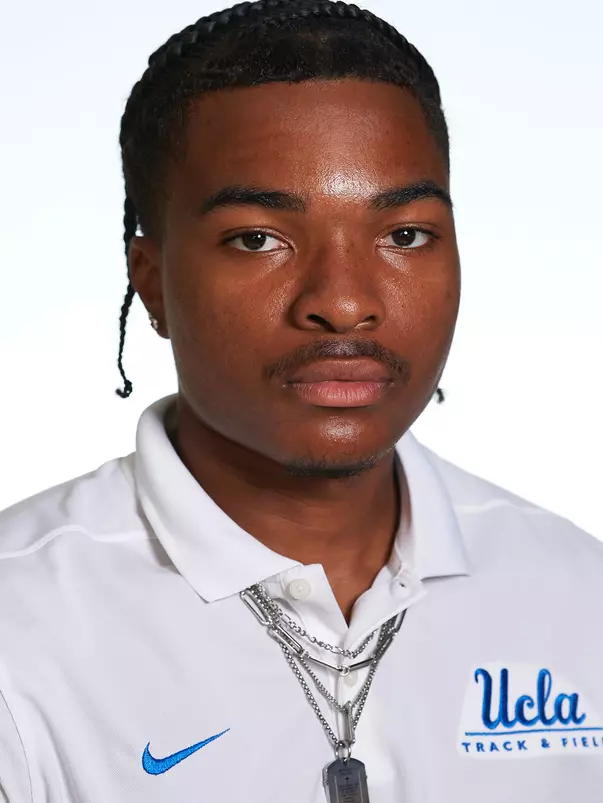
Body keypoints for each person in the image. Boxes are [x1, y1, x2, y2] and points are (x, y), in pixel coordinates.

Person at [0, 1, 601, 801]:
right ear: (151, 282)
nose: (344, 302)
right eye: (258, 238)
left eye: (405, 235)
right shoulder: (22, 629)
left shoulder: (576, 593)